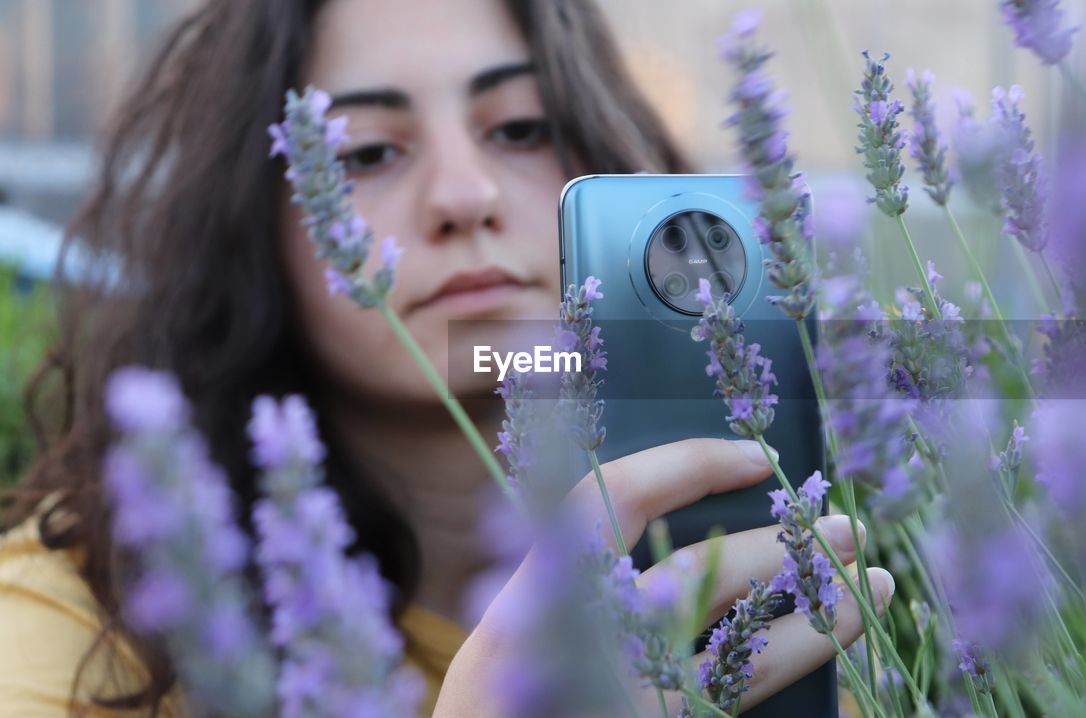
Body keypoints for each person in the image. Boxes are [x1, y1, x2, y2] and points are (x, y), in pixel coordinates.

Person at [0, 0, 895, 715]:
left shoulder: (745, 586)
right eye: (367, 153)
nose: (463, 198)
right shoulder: (60, 634)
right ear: (247, 225)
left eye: (519, 129)